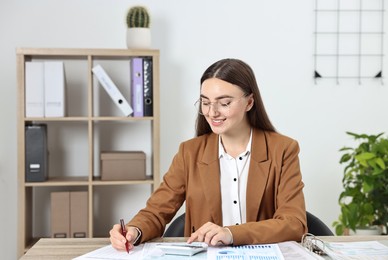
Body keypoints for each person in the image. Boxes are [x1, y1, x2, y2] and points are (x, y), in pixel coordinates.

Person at [109, 58, 307, 251]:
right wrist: (135, 230)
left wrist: (232, 233)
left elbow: (294, 223)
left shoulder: (282, 149)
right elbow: (157, 211)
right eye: (205, 102)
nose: (212, 112)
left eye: (224, 103)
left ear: (249, 102)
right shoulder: (190, 152)